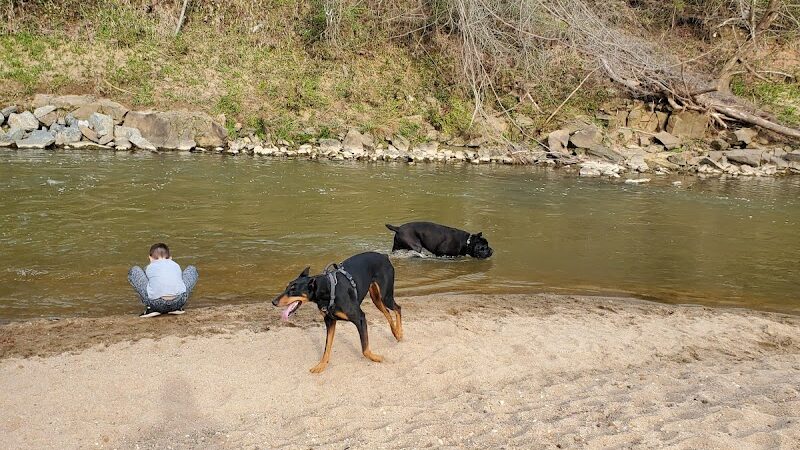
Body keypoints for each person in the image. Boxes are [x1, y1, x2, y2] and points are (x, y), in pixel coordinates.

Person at [128, 243, 198, 317]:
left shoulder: (149, 267)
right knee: (192, 269)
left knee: (134, 270)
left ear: (150, 258)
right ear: (170, 258)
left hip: (156, 304)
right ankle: (177, 308)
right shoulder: (175, 265)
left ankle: (151, 309)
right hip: (179, 301)